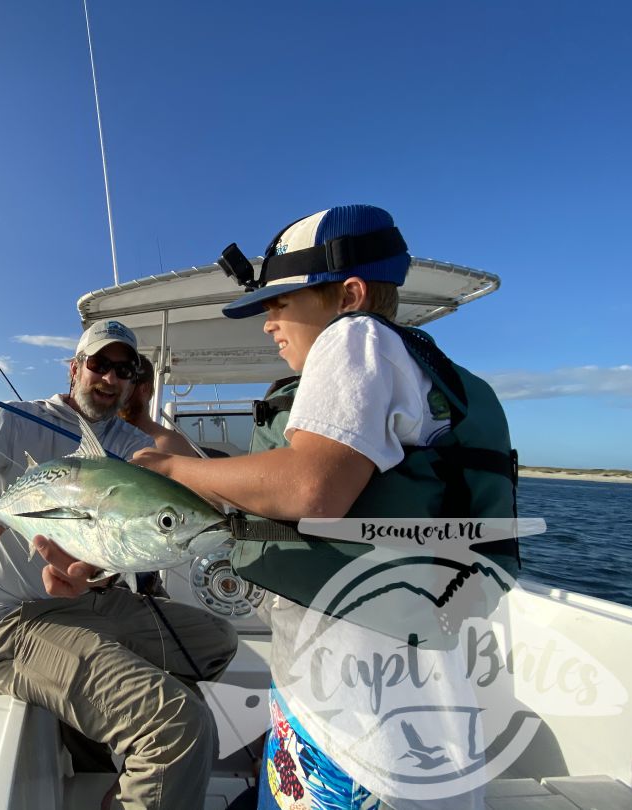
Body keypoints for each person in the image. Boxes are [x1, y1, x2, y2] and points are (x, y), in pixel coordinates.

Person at [133, 205, 518, 809]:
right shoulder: (440, 378)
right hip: (404, 722)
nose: (267, 324)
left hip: (356, 735)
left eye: (279, 303)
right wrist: (188, 461)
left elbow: (312, 487)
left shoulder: (355, 336)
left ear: (350, 294)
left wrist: (178, 470)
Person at [0, 319, 239, 810]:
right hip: (13, 622)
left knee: (218, 641)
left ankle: (98, 741)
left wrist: (95, 574)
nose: (109, 378)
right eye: (99, 364)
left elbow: (120, 538)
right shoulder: (12, 421)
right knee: (179, 722)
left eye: (125, 369)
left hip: (94, 603)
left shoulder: (128, 445)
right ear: (75, 367)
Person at [119, 356, 199, 456]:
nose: (116, 394)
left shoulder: (171, 444)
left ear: (144, 389)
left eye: (124, 387)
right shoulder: (104, 436)